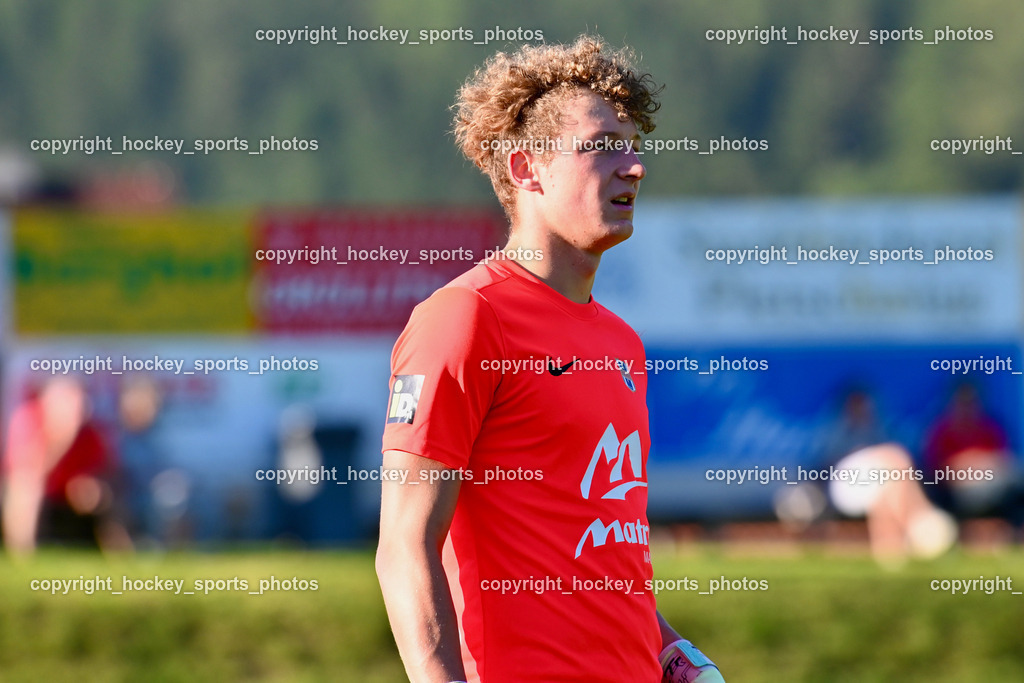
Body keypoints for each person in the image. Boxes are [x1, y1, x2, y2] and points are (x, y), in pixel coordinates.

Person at [377, 36, 725, 683]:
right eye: (601, 147)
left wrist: (677, 656)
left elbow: (598, 554)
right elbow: (403, 544)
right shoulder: (465, 317)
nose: (634, 167)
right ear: (525, 168)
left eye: (633, 147)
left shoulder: (621, 342)